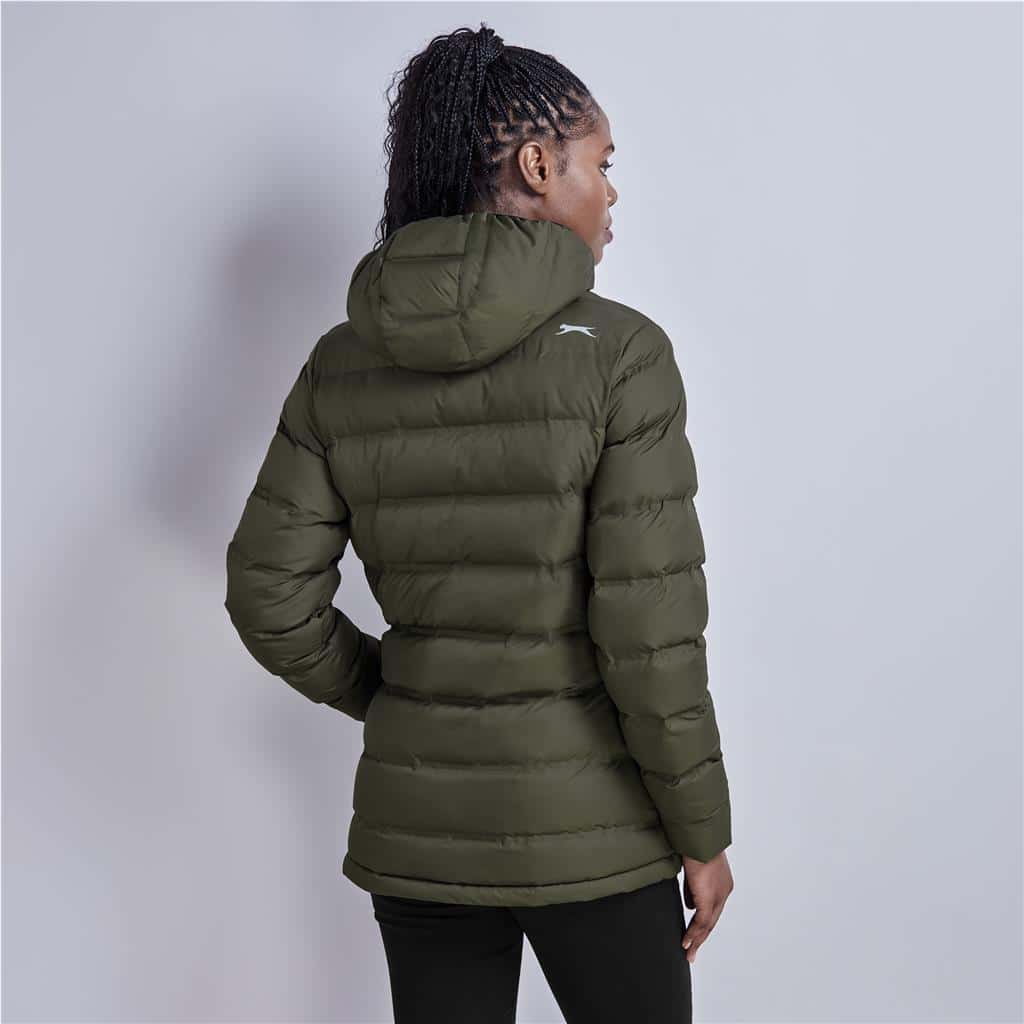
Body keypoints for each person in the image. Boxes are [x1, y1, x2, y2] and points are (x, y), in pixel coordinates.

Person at [224, 22, 735, 1024]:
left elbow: (266, 593)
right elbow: (649, 633)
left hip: (421, 837)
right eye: (601, 163)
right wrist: (702, 831)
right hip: (595, 832)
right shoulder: (621, 355)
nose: (612, 192)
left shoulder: (341, 363)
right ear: (538, 167)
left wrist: (398, 696)